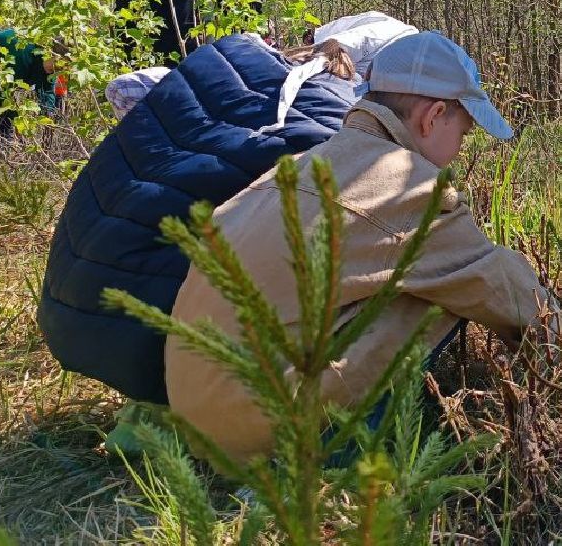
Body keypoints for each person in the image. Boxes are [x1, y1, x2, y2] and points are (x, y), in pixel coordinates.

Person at [165, 31, 554, 464]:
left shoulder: (298, 165)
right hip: (266, 436)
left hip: (195, 424)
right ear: (433, 116)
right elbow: (510, 293)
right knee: (444, 289)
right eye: (463, 132)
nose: (460, 150)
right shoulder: (410, 187)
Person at [38, 31, 361, 404]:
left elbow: (124, 87)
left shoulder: (218, 70)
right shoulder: (331, 119)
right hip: (151, 348)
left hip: (64, 307)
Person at [0, 27, 59, 150]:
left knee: (3, 123)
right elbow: (2, 90)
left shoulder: (53, 64)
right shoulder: (22, 54)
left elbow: (47, 89)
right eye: (54, 65)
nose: (55, 70)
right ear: (49, 54)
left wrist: (48, 113)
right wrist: (18, 120)